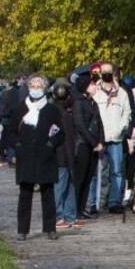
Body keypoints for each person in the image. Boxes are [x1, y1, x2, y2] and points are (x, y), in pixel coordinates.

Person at [13, 75, 66, 241]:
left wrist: (51, 144)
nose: (35, 89)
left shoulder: (52, 110)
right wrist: (17, 146)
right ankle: (22, 230)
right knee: (25, 193)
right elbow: (11, 131)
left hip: (45, 155)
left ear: (44, 89)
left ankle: (50, 228)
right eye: (33, 86)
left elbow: (61, 133)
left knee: (48, 193)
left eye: (39, 86)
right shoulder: (21, 108)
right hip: (26, 155)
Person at [93, 61, 134, 214]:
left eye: (109, 72)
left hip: (116, 138)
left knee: (117, 171)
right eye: (103, 72)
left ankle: (114, 202)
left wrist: (120, 129)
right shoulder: (95, 91)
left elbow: (127, 113)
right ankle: (97, 202)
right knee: (99, 172)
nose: (106, 74)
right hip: (99, 138)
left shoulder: (122, 93)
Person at [71, 73, 103, 223]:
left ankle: (82, 208)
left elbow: (99, 123)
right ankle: (76, 209)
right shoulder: (79, 103)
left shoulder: (93, 103)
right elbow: (80, 125)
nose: (94, 87)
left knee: (88, 177)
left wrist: (101, 141)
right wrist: (92, 141)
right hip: (82, 144)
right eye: (92, 85)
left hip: (93, 145)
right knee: (80, 178)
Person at [51, 81, 79, 230]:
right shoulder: (65, 115)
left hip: (62, 154)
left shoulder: (54, 112)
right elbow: (67, 138)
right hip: (63, 155)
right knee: (61, 186)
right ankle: (59, 216)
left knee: (68, 185)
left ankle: (69, 215)